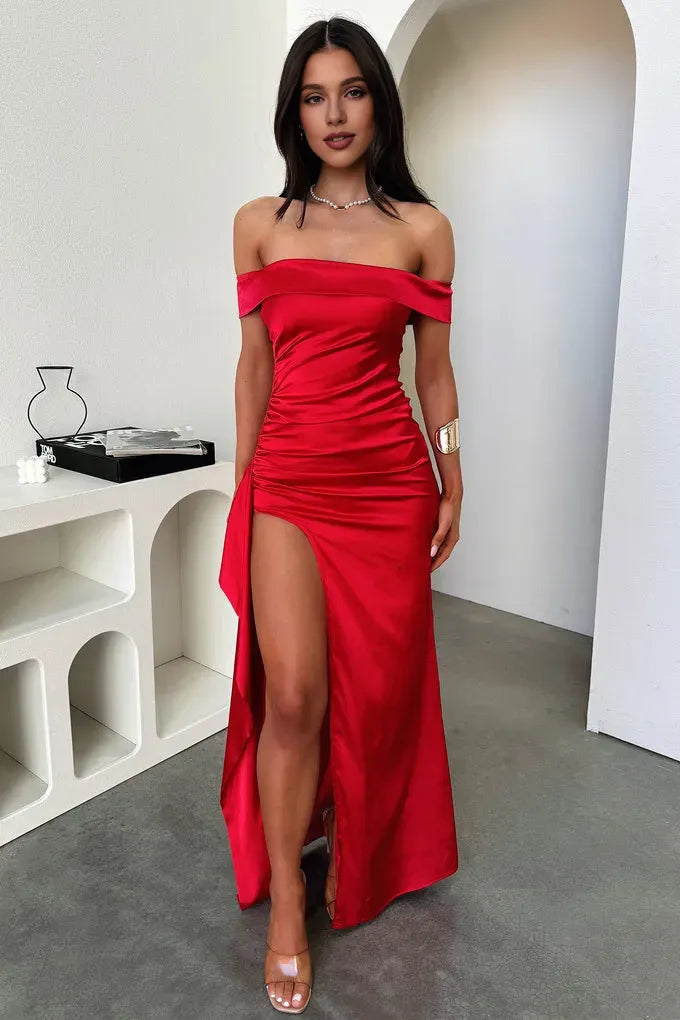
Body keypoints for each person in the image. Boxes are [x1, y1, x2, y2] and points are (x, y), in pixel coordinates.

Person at [218, 15, 463, 1015]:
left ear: (377, 102)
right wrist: (247, 479)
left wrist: (453, 475)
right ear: (294, 110)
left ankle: (355, 846)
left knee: (378, 692)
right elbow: (255, 364)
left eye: (352, 91)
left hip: (388, 484)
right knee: (292, 696)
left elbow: (433, 374)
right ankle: (287, 897)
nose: (334, 113)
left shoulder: (422, 230)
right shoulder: (259, 223)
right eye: (314, 95)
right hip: (288, 480)